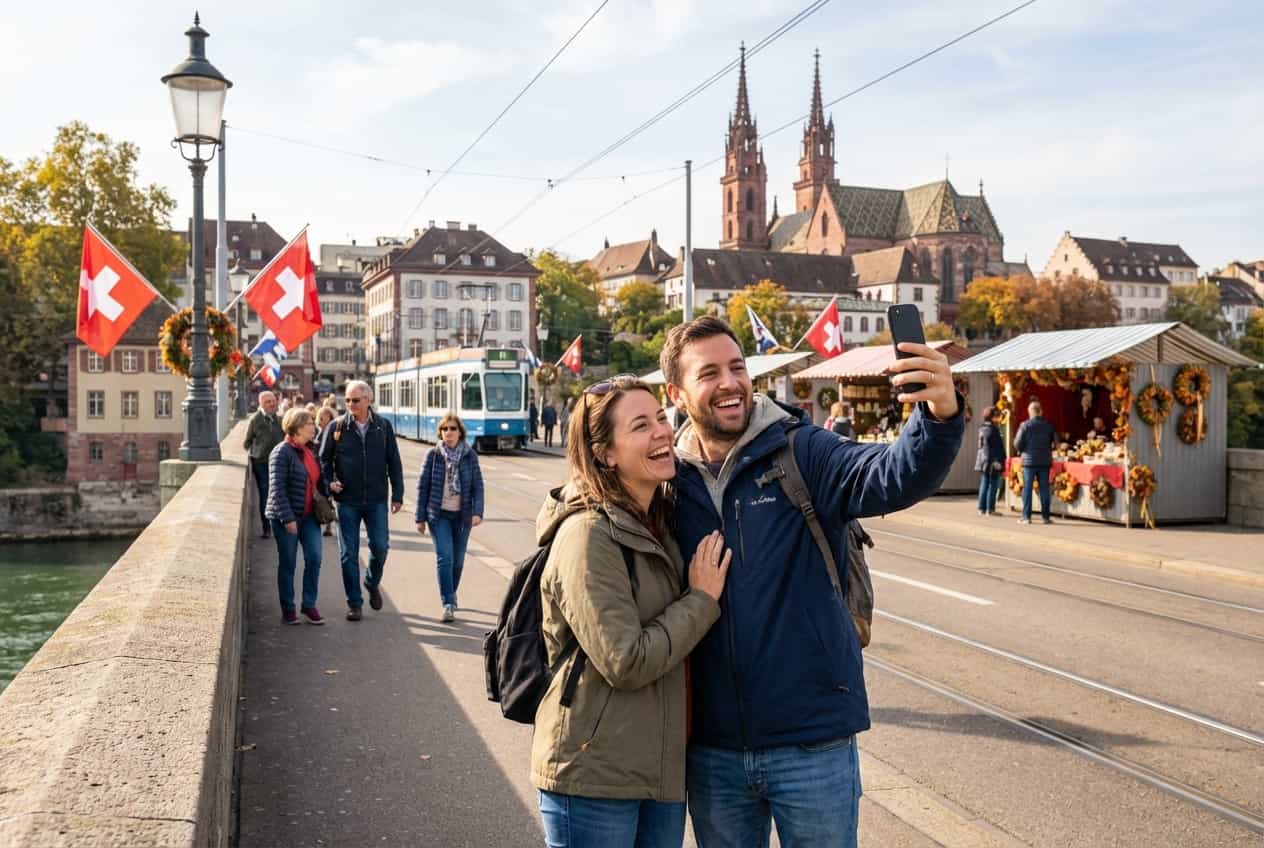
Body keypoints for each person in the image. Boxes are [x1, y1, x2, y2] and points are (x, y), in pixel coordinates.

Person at [661, 316, 963, 847]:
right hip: (711, 750)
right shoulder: (666, 481)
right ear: (677, 392)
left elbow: (893, 475)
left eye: (737, 367)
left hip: (812, 742)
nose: (730, 383)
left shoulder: (802, 450)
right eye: (709, 373)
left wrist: (937, 416)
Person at [532, 374, 730, 848]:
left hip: (658, 772)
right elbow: (626, 659)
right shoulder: (588, 535)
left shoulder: (657, 521)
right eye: (640, 425)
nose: (662, 431)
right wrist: (701, 600)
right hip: (594, 775)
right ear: (606, 454)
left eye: (661, 417)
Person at [319, 379, 405, 621]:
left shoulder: (383, 427)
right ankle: (354, 603)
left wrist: (397, 494)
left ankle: (371, 582)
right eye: (346, 400)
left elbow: (394, 462)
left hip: (376, 498)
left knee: (380, 546)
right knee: (349, 554)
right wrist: (329, 483)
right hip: (347, 500)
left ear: (369, 400)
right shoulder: (337, 427)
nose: (350, 404)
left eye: (355, 400)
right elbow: (323, 460)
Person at [415, 413, 485, 623]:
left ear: (460, 432)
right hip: (438, 515)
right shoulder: (433, 455)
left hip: (462, 516)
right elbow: (422, 486)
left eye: (453, 428)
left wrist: (477, 512)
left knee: (458, 561)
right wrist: (420, 517)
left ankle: (451, 593)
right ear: (441, 432)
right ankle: (448, 603)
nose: (449, 433)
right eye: (445, 429)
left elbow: (478, 486)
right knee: (444, 558)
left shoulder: (469, 455)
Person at [265, 408, 327, 625]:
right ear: (299, 427)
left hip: (309, 515)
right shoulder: (281, 452)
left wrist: (330, 487)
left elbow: (317, 482)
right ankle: (288, 609)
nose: (314, 426)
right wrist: (288, 519)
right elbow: (277, 491)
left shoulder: (311, 450)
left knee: (314, 558)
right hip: (286, 517)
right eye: (310, 422)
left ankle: (309, 605)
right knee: (288, 562)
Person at [243, 391, 283, 538]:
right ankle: (267, 528)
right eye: (268, 402)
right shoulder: (255, 420)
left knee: (279, 493)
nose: (272, 404)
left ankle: (279, 524)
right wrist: (256, 451)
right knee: (266, 494)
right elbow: (246, 442)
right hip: (261, 463)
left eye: (273, 401)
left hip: (278, 463)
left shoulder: (279, 420)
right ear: (261, 404)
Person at [1014, 399, 1056, 525]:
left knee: (1027, 488)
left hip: (1029, 462)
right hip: (1044, 461)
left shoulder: (1025, 425)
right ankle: (1045, 517)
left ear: (1031, 412)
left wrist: (1022, 450)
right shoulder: (1048, 425)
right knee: (1044, 489)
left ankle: (1026, 517)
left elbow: (1017, 444)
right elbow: (1056, 443)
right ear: (1041, 412)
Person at [975, 406, 1006, 516]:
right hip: (992, 460)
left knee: (984, 484)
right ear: (992, 417)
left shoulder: (982, 428)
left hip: (983, 460)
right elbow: (997, 447)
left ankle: (981, 508)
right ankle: (990, 509)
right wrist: (998, 460)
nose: (998, 418)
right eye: (996, 416)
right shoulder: (993, 430)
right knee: (993, 484)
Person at [315, 406, 338, 536]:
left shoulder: (333, 432)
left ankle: (329, 524)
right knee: (322, 497)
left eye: (324, 417)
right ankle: (325, 520)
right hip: (318, 470)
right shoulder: (317, 432)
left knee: (328, 496)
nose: (321, 419)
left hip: (328, 470)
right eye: (320, 416)